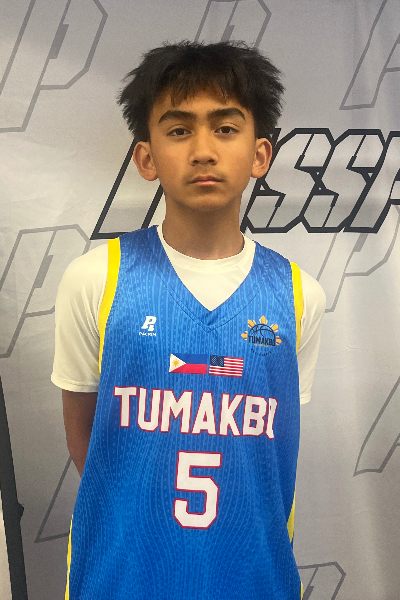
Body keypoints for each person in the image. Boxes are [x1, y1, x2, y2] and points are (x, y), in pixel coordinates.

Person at [52, 40, 326, 600]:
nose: (203, 151)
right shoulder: (95, 279)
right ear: (146, 158)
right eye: (179, 130)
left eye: (225, 128)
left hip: (253, 578)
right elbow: (90, 442)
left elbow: (269, 453)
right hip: (121, 578)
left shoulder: (300, 296)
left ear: (260, 154)